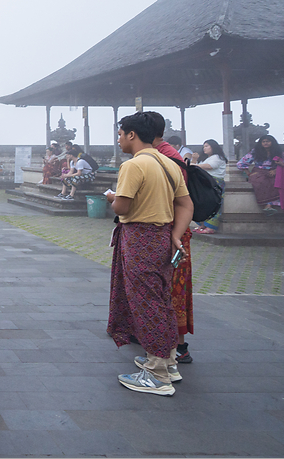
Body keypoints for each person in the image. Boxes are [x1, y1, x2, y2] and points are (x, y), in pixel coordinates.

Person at [106, 112, 192, 397]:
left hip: (141, 238)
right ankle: (166, 360)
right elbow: (185, 204)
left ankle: (156, 374)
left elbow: (123, 208)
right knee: (161, 299)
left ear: (132, 135)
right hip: (163, 237)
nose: (119, 139)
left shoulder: (134, 165)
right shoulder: (168, 163)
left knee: (146, 303)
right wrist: (177, 235)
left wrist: (111, 198)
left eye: (121, 134)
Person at [147, 112, 194, 365]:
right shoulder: (164, 154)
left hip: (171, 232)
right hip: (171, 229)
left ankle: (177, 346)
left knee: (171, 287)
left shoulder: (165, 158)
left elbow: (176, 200)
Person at [236, 135, 284, 215]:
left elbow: (283, 163)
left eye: (268, 141)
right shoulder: (255, 151)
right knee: (260, 181)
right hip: (259, 172)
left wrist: (276, 171)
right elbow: (241, 163)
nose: (266, 143)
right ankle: (265, 205)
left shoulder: (278, 152)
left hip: (273, 171)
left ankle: (270, 205)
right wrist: (249, 174)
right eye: (263, 142)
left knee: (276, 182)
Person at [190, 139, 227, 235]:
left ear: (213, 146)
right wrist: (194, 161)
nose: (204, 148)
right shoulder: (206, 158)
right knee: (202, 203)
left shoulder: (217, 157)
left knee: (214, 204)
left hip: (215, 183)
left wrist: (195, 165)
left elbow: (210, 166)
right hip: (206, 183)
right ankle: (202, 224)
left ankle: (211, 227)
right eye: (203, 147)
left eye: (206, 146)